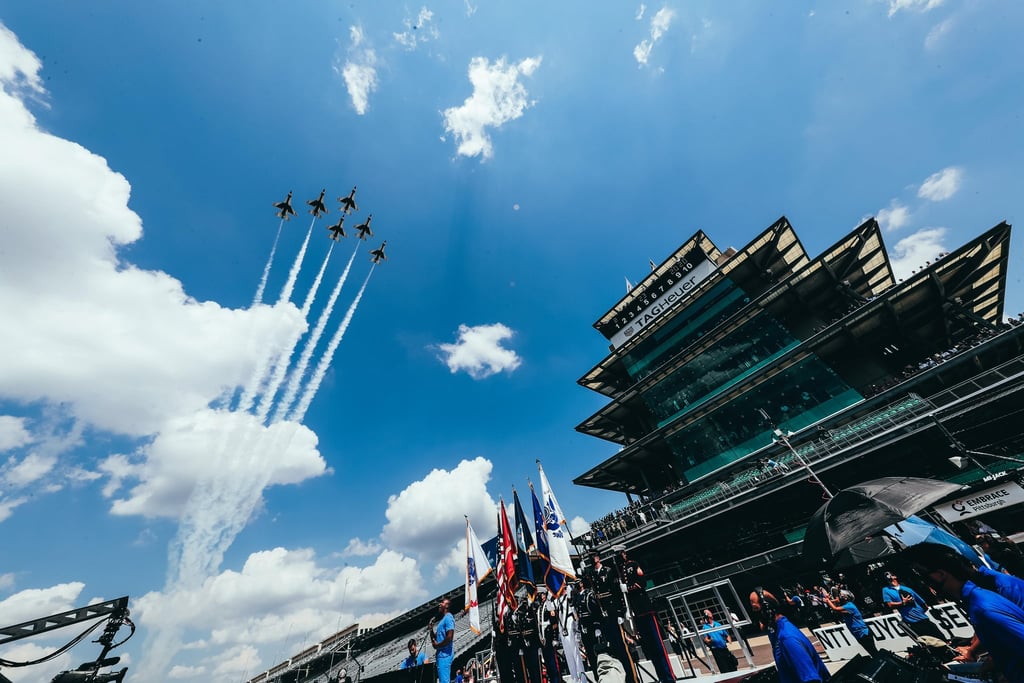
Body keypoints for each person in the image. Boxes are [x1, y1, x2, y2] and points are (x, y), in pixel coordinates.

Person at [907, 544, 1024, 683]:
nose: (925, 584)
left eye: (923, 576)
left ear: (940, 575)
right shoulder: (979, 597)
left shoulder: (983, 608)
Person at [749, 589, 830, 683]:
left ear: (768, 610)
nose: (754, 612)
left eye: (755, 608)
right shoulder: (777, 631)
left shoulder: (787, 639)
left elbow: (811, 679)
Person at [880, 571, 948, 643]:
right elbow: (890, 605)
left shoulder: (907, 589)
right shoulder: (886, 590)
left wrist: (918, 612)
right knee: (927, 643)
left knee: (941, 640)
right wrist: (903, 603)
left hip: (924, 619)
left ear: (895, 576)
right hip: (912, 623)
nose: (889, 576)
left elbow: (924, 605)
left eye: (891, 574)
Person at [823, 589, 877, 655]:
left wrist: (828, 600)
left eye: (840, 596)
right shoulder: (847, 606)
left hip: (863, 633)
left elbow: (835, 609)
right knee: (872, 652)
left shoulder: (849, 606)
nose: (838, 597)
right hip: (858, 633)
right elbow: (837, 610)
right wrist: (828, 601)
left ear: (845, 598)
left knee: (873, 652)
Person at [430, 598, 456, 683]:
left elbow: (449, 637)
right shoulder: (442, 620)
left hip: (445, 656)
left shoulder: (448, 617)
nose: (439, 604)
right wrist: (431, 629)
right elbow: (436, 637)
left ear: (447, 606)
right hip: (440, 656)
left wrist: (438, 645)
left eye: (442, 603)